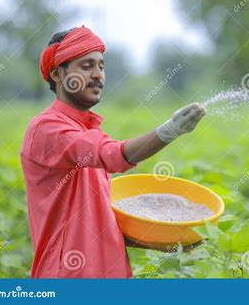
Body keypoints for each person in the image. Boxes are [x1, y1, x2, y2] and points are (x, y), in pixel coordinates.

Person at [20, 25, 205, 278]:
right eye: (86, 66)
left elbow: (99, 225)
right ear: (57, 74)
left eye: (101, 66)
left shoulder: (83, 129)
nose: (98, 75)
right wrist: (170, 130)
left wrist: (168, 240)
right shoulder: (47, 128)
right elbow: (111, 155)